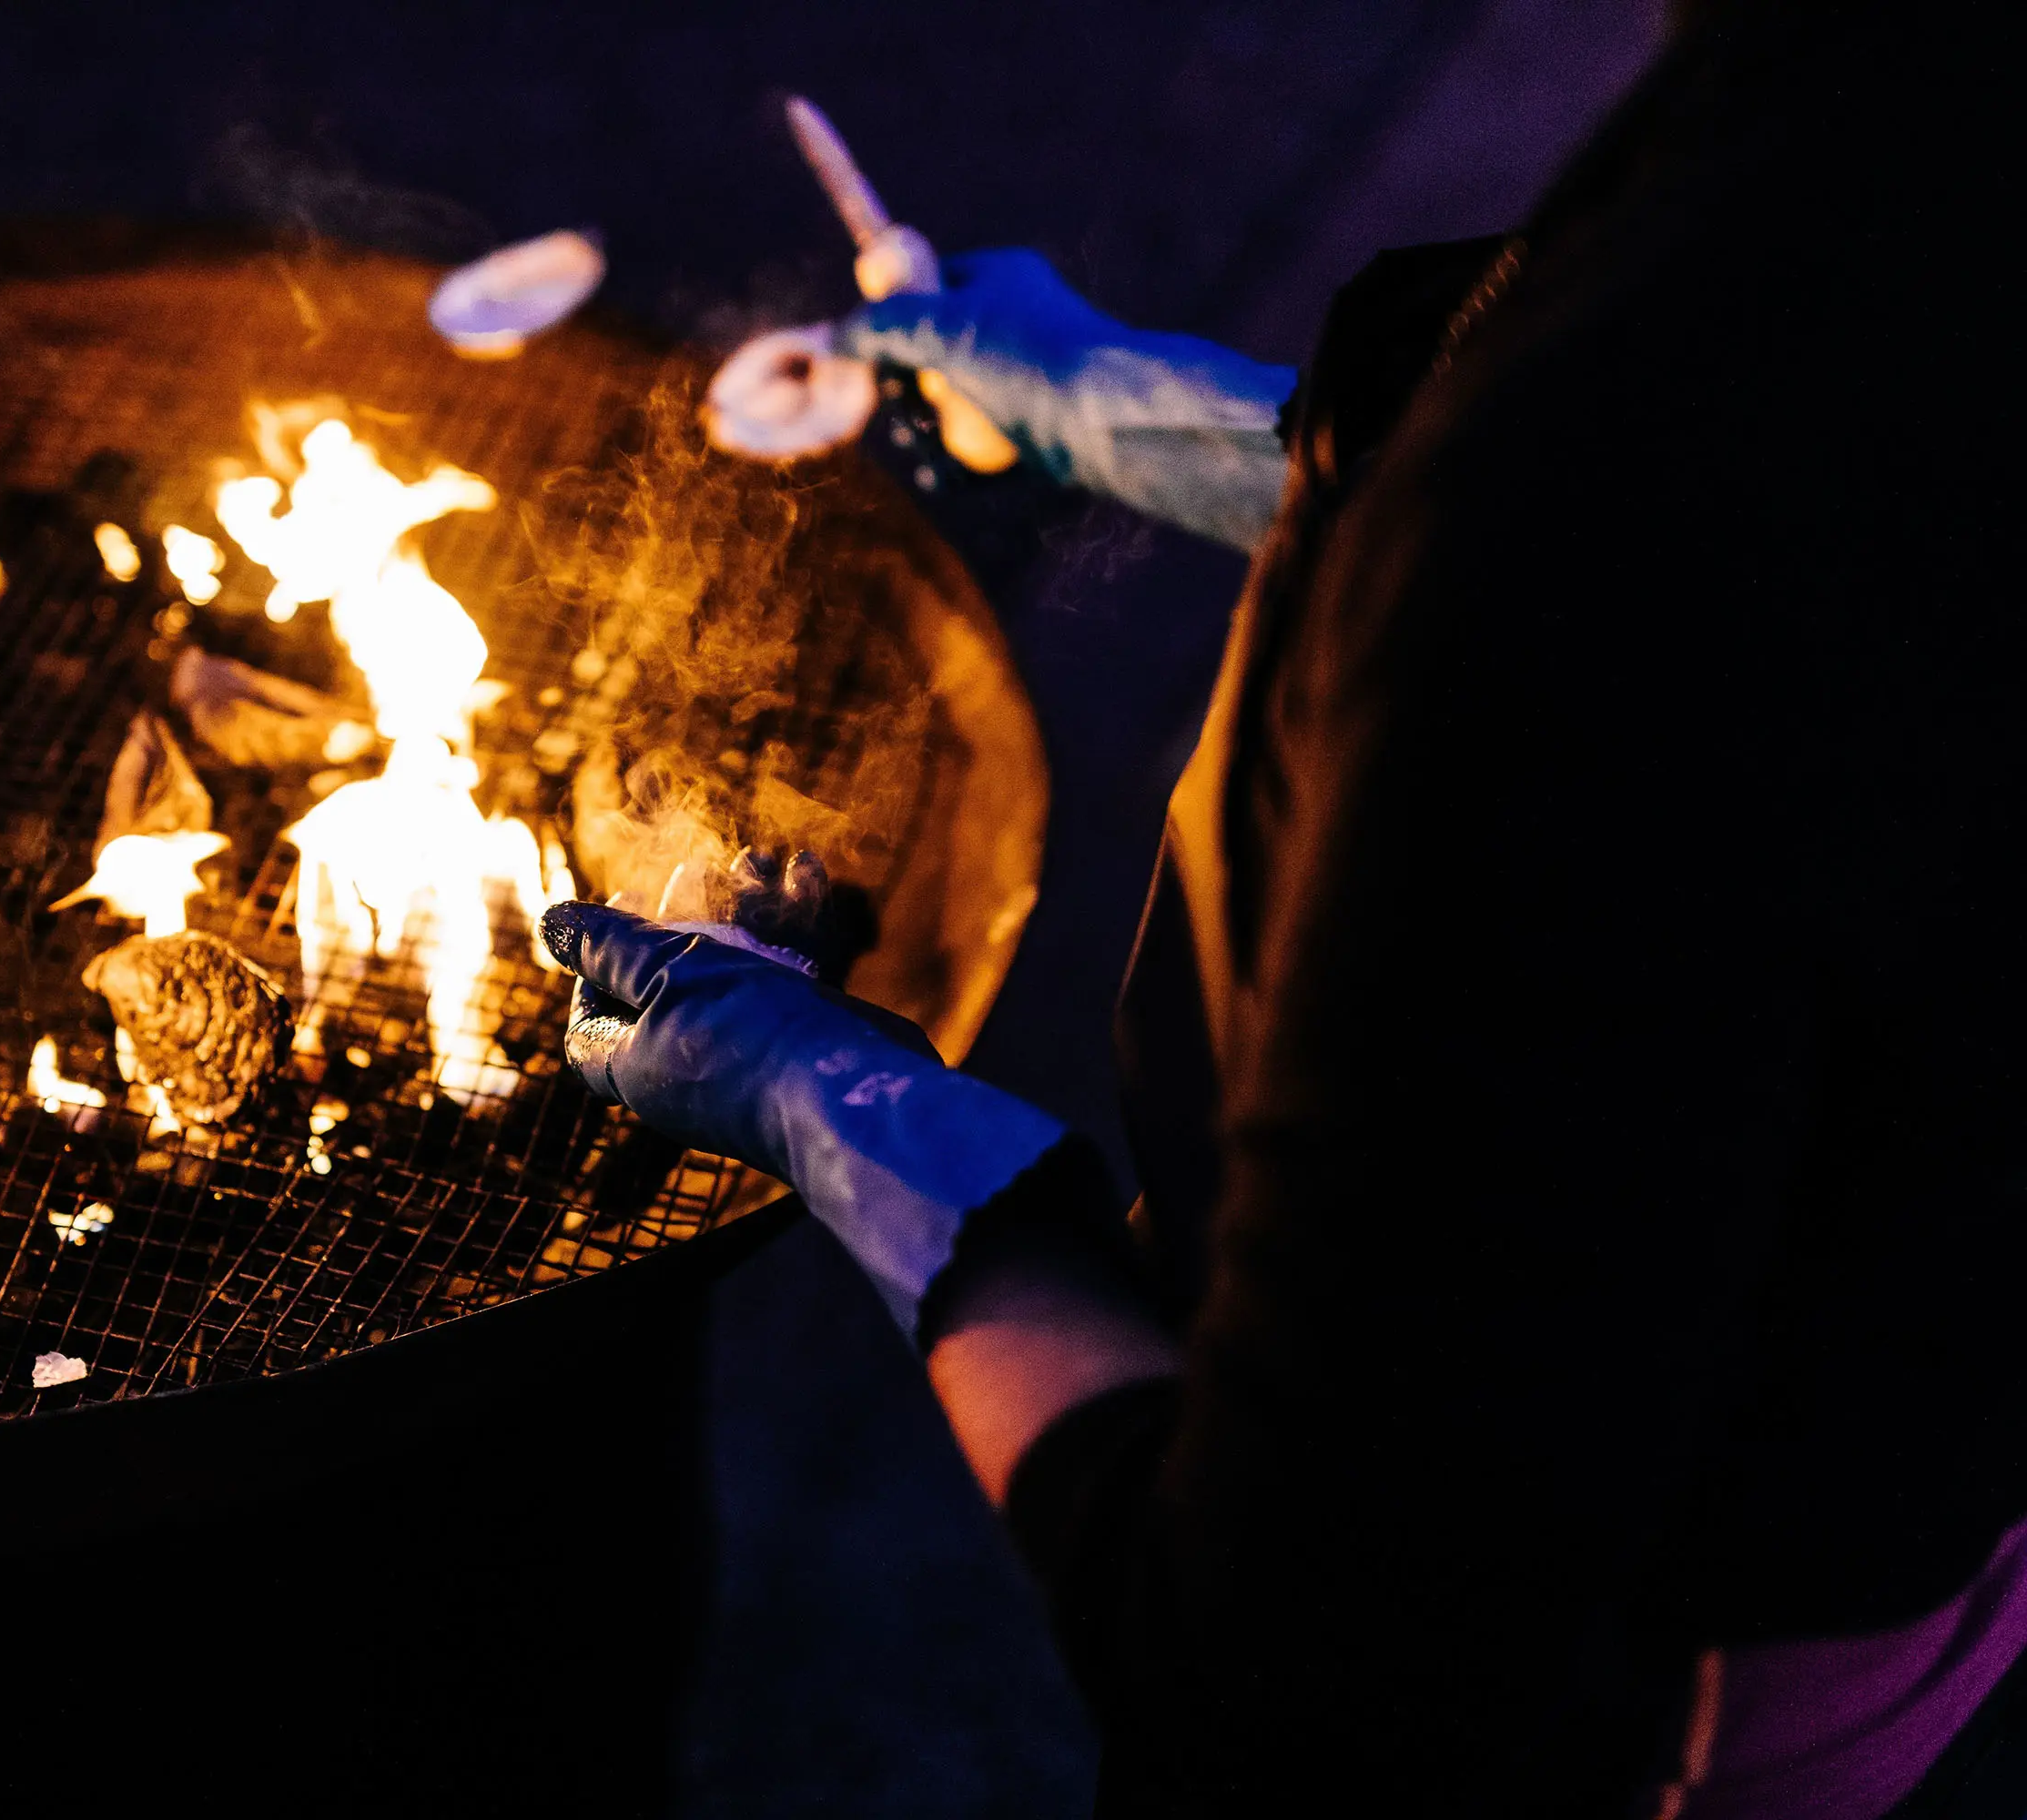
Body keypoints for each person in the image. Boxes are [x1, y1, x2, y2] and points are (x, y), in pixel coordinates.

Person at [541, 5, 2027, 1815]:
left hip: (1655, 1728)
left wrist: (834, 1100)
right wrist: (1108, 397)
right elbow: (1631, 506)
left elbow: (1292, 1655)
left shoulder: (1617, 523)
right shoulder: (1870, 122)